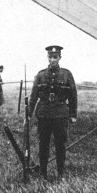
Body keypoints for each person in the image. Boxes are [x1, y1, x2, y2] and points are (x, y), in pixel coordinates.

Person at [28, 45, 77, 180]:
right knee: (43, 144)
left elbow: (73, 95)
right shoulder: (41, 75)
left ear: (60, 57)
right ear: (47, 58)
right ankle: (43, 173)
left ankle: (60, 173)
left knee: (60, 144)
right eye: (50, 57)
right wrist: (28, 113)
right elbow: (33, 96)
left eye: (55, 57)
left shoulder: (67, 74)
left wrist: (73, 115)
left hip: (60, 115)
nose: (53, 60)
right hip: (44, 115)